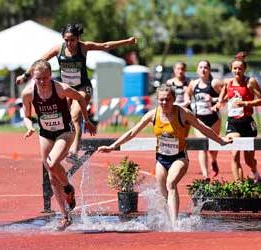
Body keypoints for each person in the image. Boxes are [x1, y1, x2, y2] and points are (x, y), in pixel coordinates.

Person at [97, 85, 232, 224]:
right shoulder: (153, 115)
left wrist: (220, 140)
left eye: (167, 99)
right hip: (161, 159)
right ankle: (166, 221)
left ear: (173, 99)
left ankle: (174, 223)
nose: (164, 103)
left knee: (171, 183)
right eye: (161, 100)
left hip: (179, 157)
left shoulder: (183, 113)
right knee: (163, 194)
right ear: (157, 100)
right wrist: (113, 146)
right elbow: (132, 132)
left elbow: (202, 127)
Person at [17, 23, 136, 162]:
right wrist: (25, 76)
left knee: (75, 115)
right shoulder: (58, 49)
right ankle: (63, 143)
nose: (69, 43)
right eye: (66, 40)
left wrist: (127, 42)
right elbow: (39, 62)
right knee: (65, 117)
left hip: (83, 87)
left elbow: (105, 46)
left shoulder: (83, 47)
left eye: (72, 40)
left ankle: (74, 150)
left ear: (78, 38)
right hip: (66, 89)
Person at [21, 59, 96, 230]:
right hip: (45, 133)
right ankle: (65, 216)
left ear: (50, 75)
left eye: (45, 78)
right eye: (38, 79)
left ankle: (68, 188)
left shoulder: (61, 88)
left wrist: (86, 120)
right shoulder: (28, 93)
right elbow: (26, 115)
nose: (42, 82)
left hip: (65, 131)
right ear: (33, 77)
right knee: (51, 175)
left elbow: (80, 98)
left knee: (52, 163)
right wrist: (29, 127)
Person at [214, 52, 261, 183]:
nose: (237, 71)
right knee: (234, 155)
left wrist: (245, 103)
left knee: (249, 160)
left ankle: (255, 172)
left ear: (244, 69)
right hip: (233, 123)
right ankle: (239, 185)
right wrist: (219, 103)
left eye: (240, 68)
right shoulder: (228, 82)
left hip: (247, 123)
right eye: (235, 68)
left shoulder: (250, 82)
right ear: (231, 69)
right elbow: (225, 95)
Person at [185, 60, 223, 180]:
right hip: (199, 119)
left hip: (214, 119)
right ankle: (205, 175)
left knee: (213, 146)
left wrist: (213, 99)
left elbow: (225, 97)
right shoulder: (193, 84)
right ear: (197, 70)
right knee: (202, 145)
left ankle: (214, 160)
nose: (203, 69)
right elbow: (187, 94)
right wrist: (187, 101)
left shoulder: (214, 83)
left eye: (205, 67)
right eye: (200, 67)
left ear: (209, 70)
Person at [166, 61, 191, 136]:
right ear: (174, 70)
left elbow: (189, 99)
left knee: (184, 136)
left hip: (185, 111)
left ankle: (183, 148)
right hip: (173, 111)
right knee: (173, 134)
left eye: (182, 69)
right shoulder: (169, 83)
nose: (180, 71)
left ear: (185, 70)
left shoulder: (189, 82)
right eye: (178, 69)